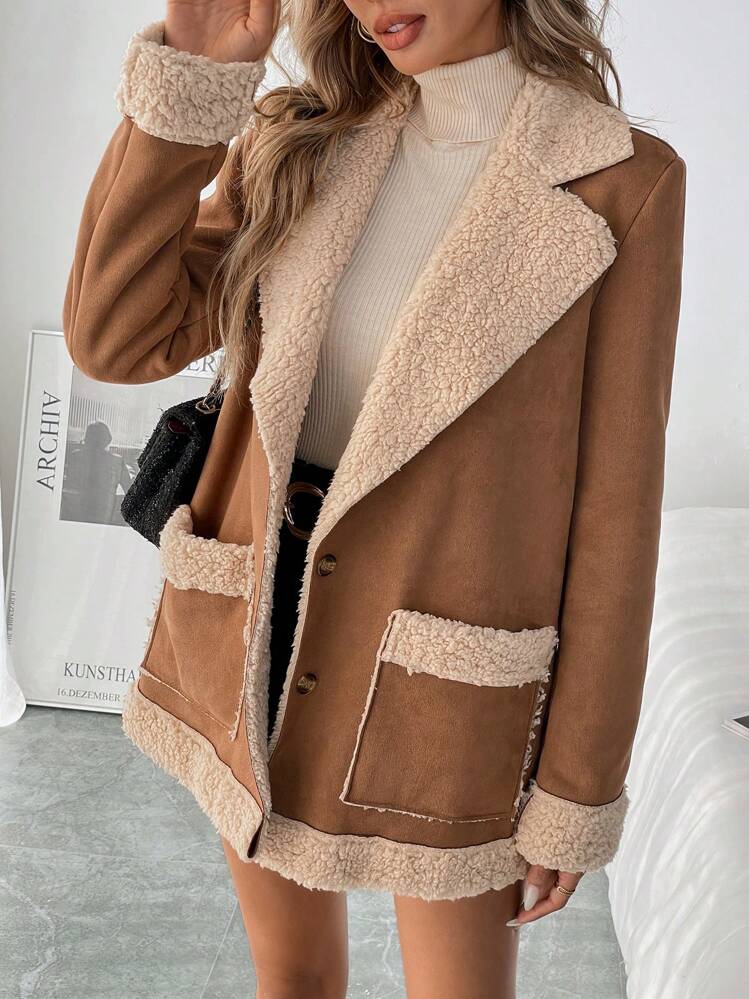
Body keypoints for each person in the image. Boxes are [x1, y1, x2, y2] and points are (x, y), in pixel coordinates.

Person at [63, 1, 686, 996]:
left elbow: (616, 508)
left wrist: (575, 789)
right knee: (294, 980)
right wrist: (192, 80)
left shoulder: (621, 181)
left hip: (445, 668)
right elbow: (117, 336)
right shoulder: (304, 138)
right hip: (255, 617)